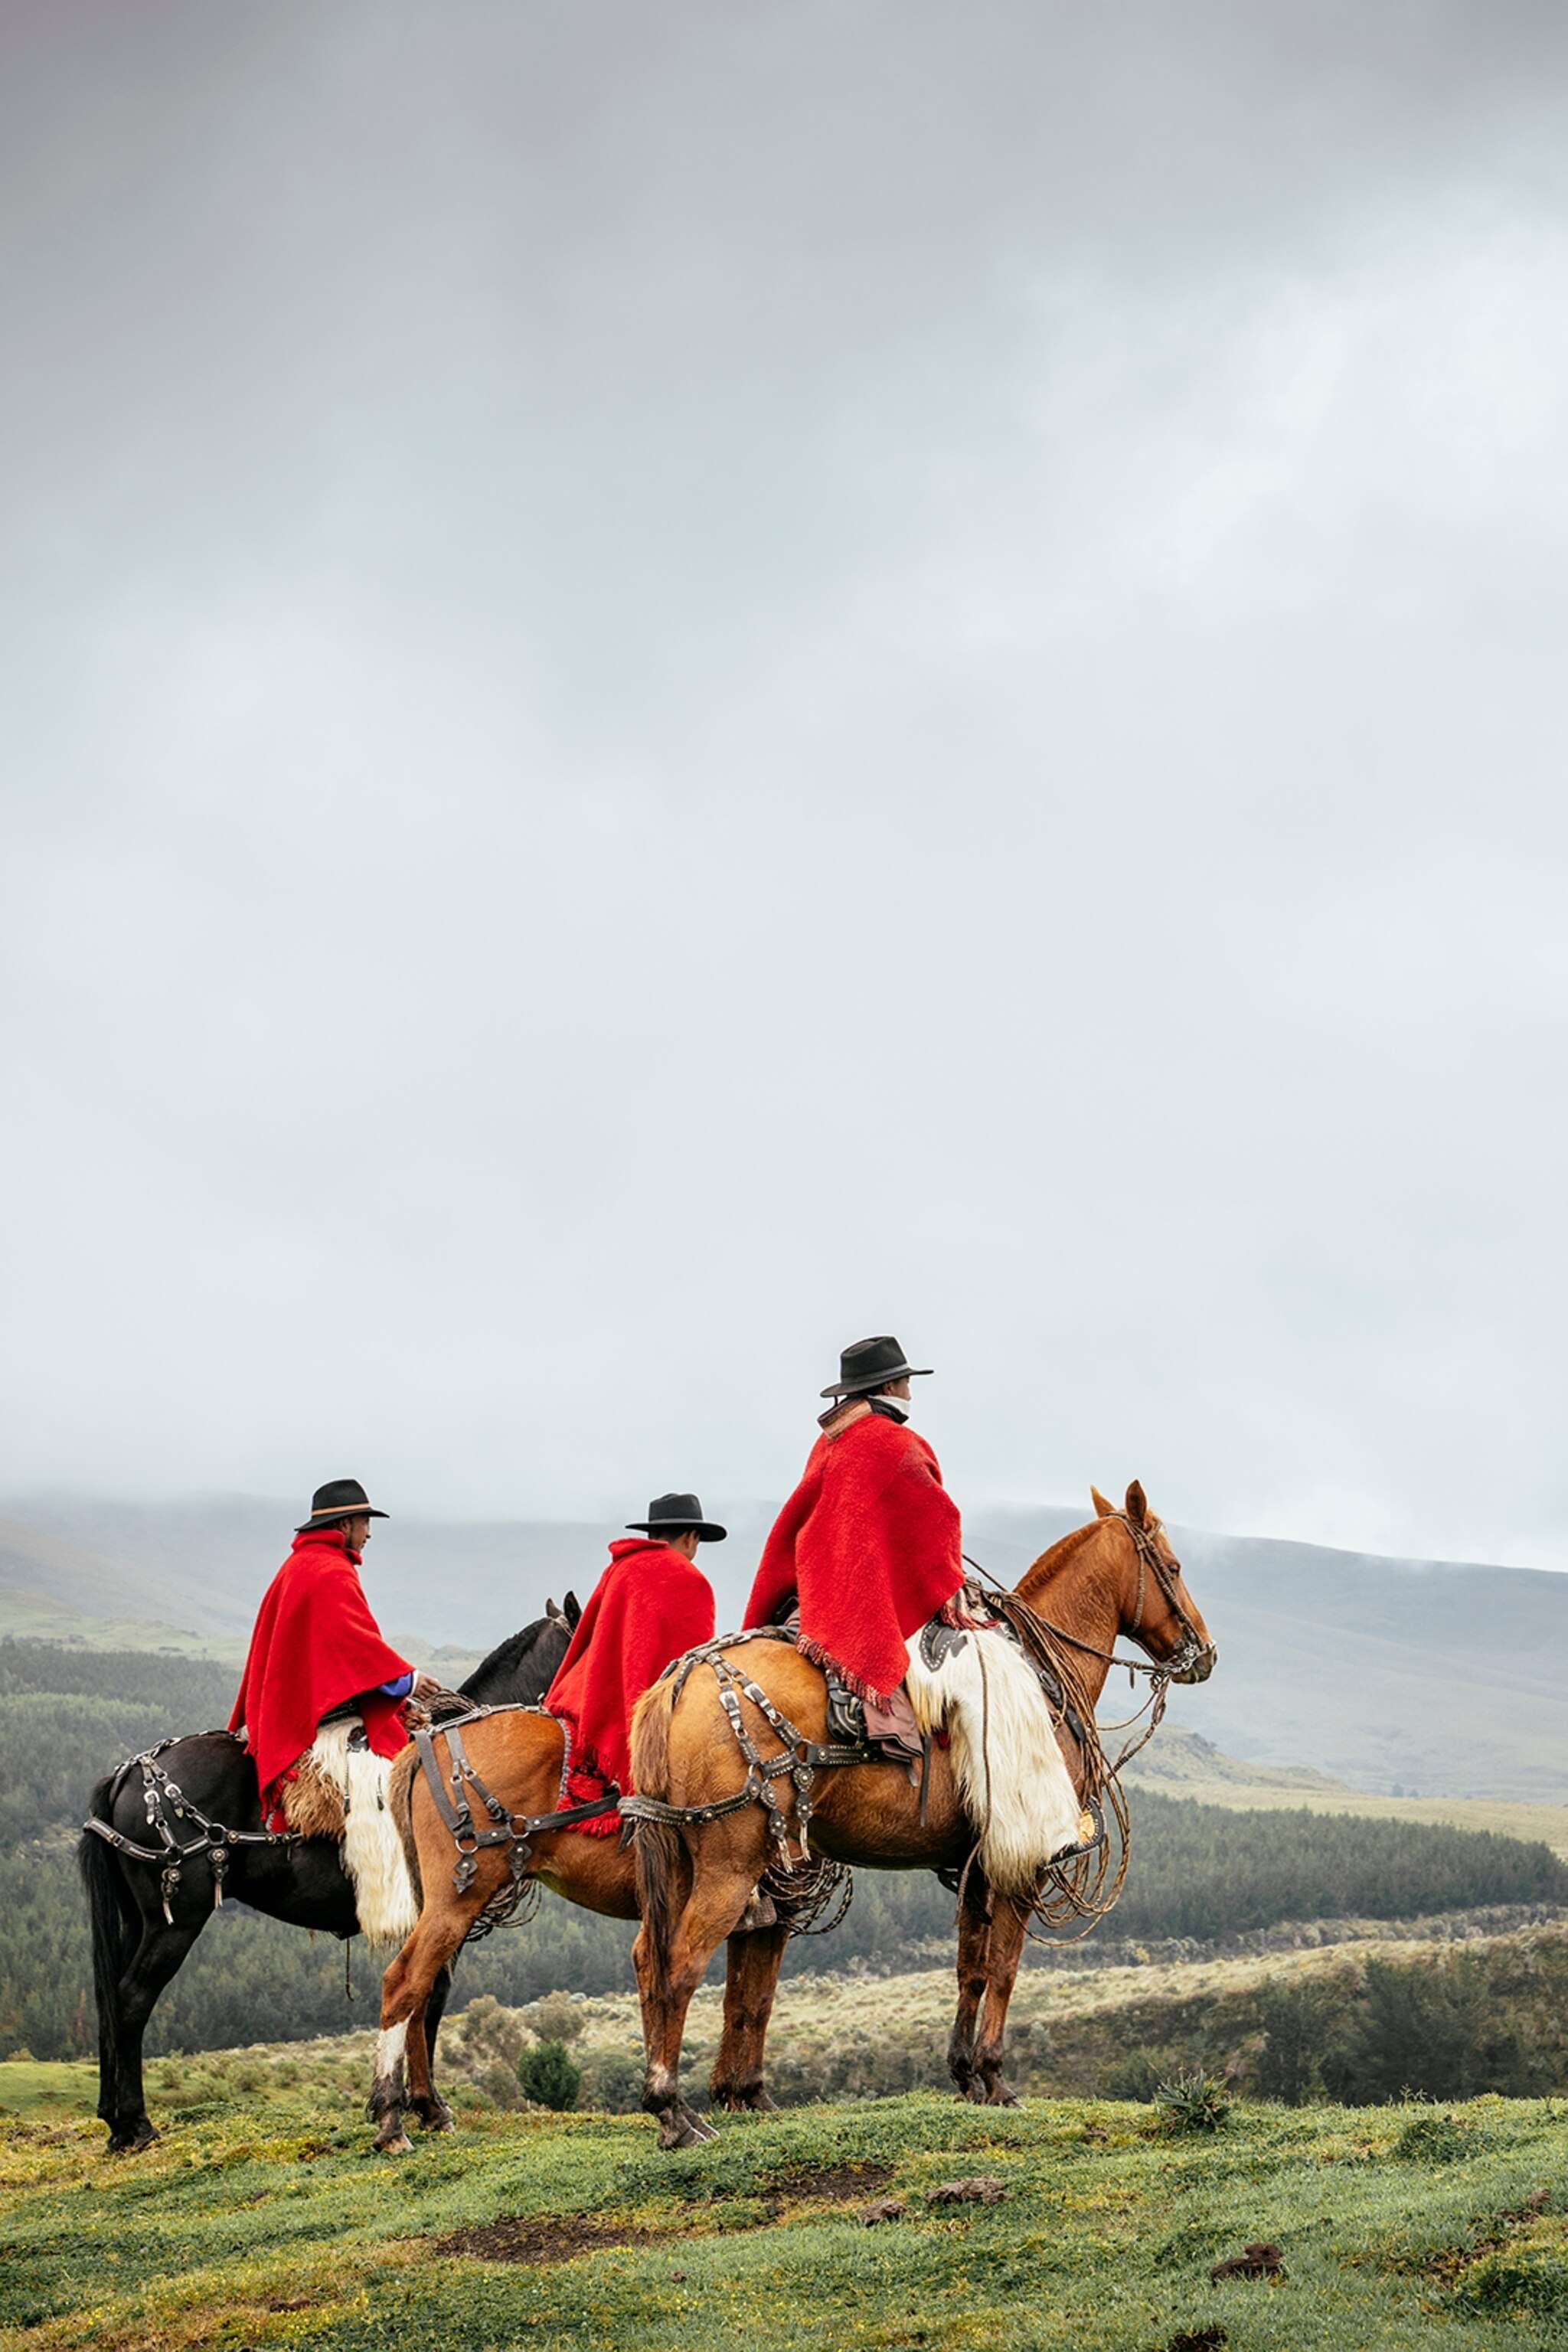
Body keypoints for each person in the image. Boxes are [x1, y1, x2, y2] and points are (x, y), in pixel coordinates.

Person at [743, 1336, 965, 1740]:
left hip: (811, 1591)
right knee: (975, 1686)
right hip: (862, 1600)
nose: (909, 1392)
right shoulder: (900, 1444)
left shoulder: (828, 1442)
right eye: (905, 1383)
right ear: (887, 1389)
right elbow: (940, 1523)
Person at [230, 1478, 442, 1828]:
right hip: (316, 1720)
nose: (369, 1534)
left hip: (290, 1707)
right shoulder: (331, 1571)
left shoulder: (302, 1563)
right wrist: (408, 1680)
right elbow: (355, 1648)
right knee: (396, 1791)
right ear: (345, 1524)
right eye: (365, 1523)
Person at [544, 1492, 720, 1833]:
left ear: (654, 1535)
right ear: (690, 1537)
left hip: (587, 1699)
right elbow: (691, 1672)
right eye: (696, 1541)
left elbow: (586, 1637)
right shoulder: (689, 1579)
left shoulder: (619, 1568)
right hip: (641, 1720)